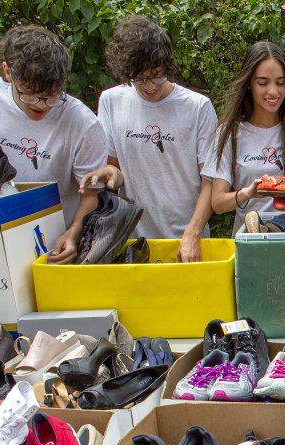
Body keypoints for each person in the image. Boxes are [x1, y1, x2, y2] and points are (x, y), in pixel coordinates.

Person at [0, 24, 110, 264]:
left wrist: (73, 233)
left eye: (51, 96)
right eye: (30, 94)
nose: (41, 105)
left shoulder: (83, 123)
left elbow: (91, 194)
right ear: (8, 72)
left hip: (51, 243)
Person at [84, 15, 218, 262]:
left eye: (157, 75)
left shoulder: (197, 107)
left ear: (168, 65)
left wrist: (192, 233)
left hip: (187, 243)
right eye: (139, 78)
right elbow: (115, 166)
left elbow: (210, 181)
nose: (149, 86)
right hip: (133, 243)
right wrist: (109, 174)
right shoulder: (111, 101)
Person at [204, 41, 285, 233]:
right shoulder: (230, 134)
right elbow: (218, 203)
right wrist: (249, 193)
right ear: (248, 84)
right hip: (250, 245)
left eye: (280, 82)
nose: (273, 91)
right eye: (263, 82)